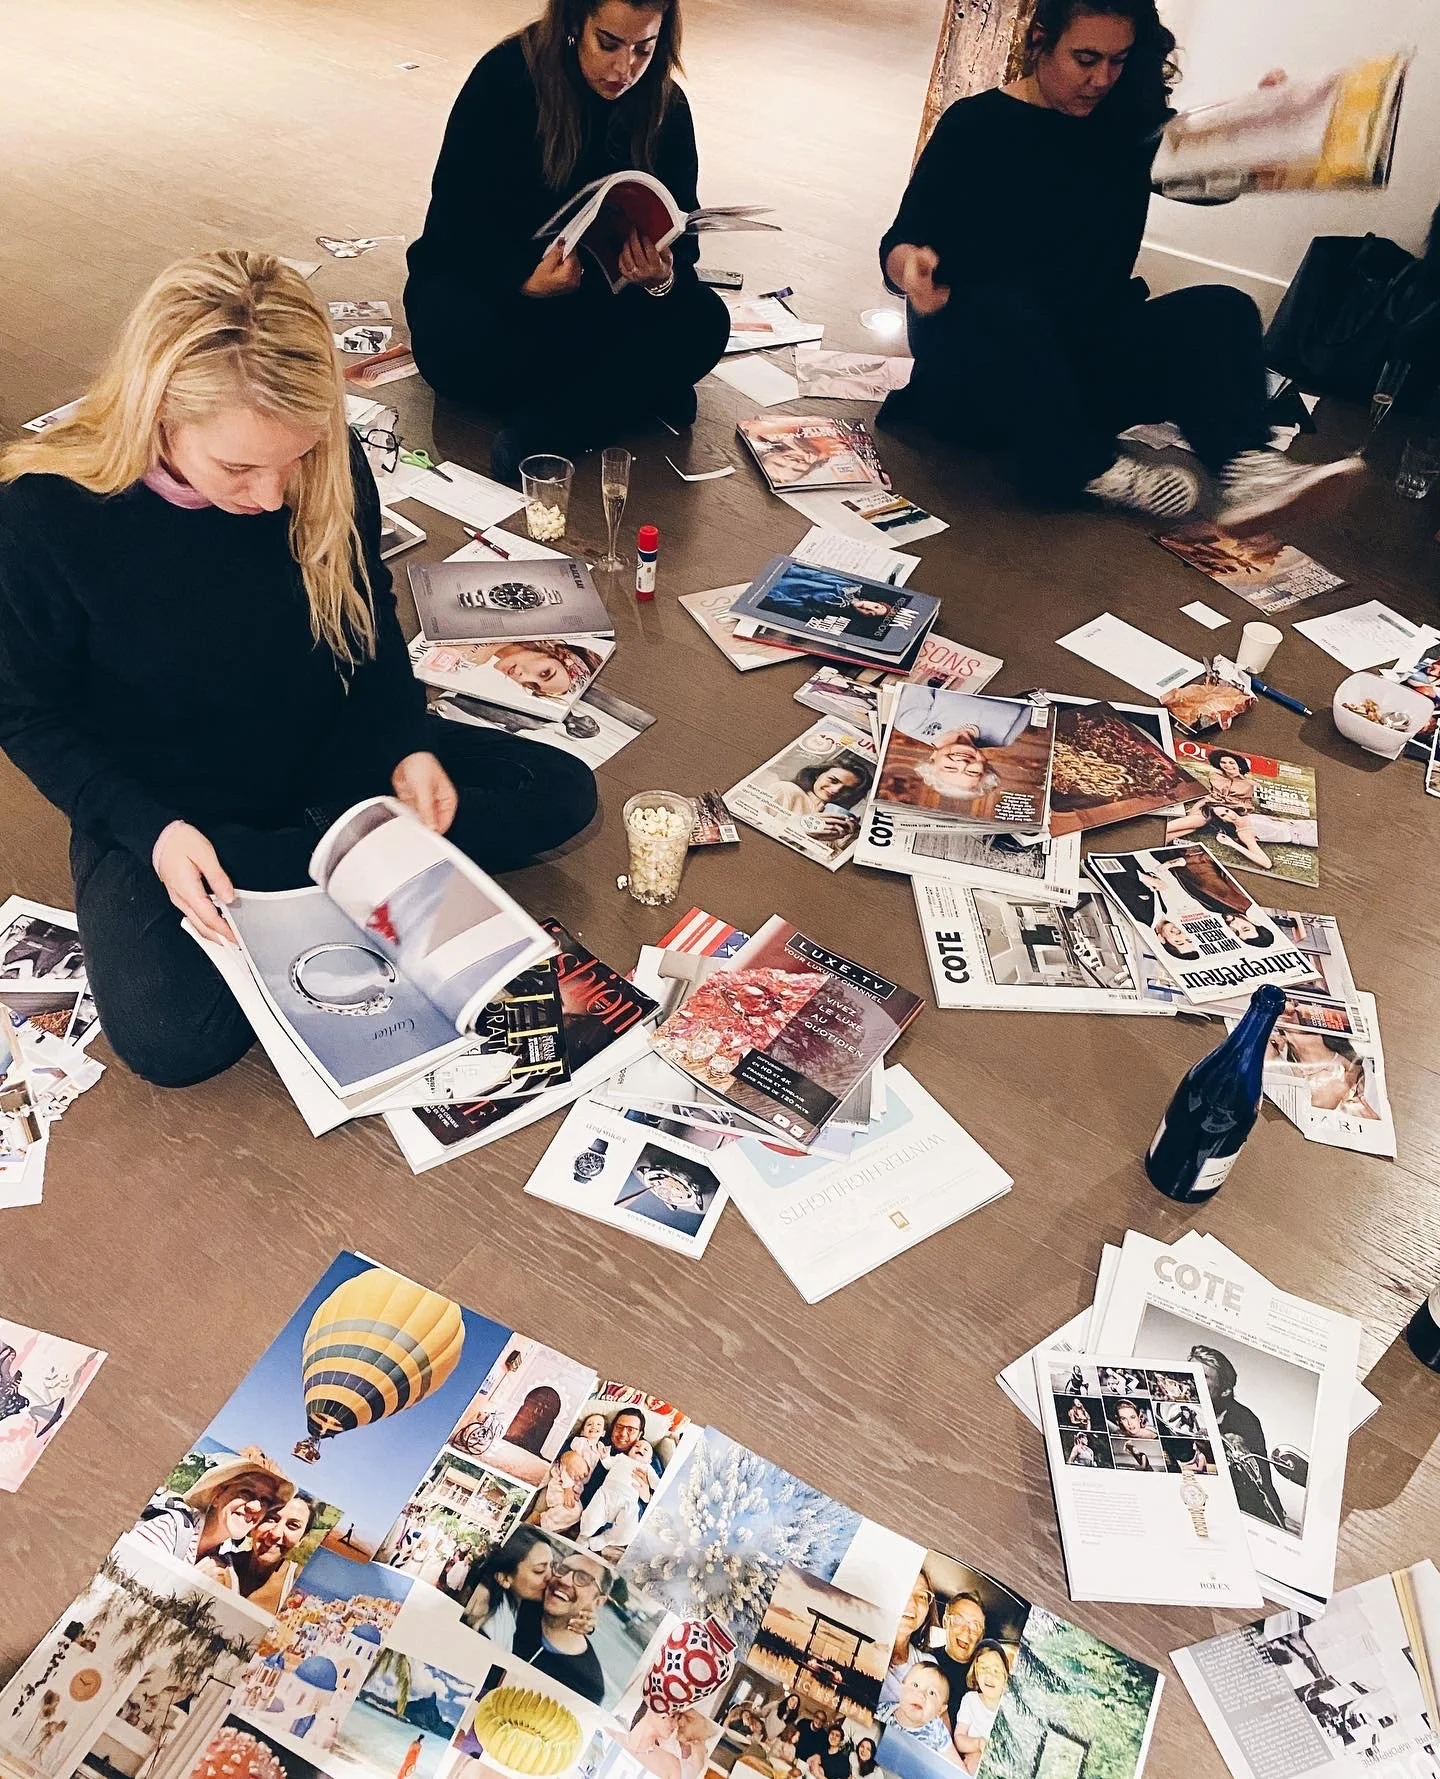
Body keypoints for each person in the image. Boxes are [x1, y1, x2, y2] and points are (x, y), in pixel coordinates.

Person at [0, 251, 598, 1091]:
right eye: (239, 469)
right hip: (178, 802)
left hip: (330, 749)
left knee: (562, 792)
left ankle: (314, 866)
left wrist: (403, 741)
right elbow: (27, 715)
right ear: (158, 410)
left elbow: (367, 618)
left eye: (297, 455)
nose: (274, 497)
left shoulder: (324, 459)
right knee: (171, 1039)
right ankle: (331, 864)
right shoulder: (44, 515)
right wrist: (152, 832)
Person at [876, 0, 1363, 522]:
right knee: (1001, 306)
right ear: (1040, 42)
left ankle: (1249, 468)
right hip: (982, 376)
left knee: (1223, 308)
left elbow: (1206, 181)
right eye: (1086, 59)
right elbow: (901, 242)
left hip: (1080, 366)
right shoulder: (976, 124)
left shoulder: (1126, 126)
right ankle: (1080, 467)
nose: (1101, 79)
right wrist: (911, 269)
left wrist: (1258, 128)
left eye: (1118, 60)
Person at [405, 0, 729, 480]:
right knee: (450, 334)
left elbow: (683, 240)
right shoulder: (504, 79)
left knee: (706, 321)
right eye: (608, 44)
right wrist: (522, 282)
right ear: (576, 21)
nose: (624, 70)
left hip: (601, 306)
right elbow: (454, 226)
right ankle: (626, 398)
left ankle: (553, 430)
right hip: (506, 302)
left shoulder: (665, 104)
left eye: (644, 49)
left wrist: (660, 277)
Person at [133, 1447, 294, 1574]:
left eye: (265, 1500)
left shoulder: (225, 1558)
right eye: (246, 1492)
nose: (256, 1507)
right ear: (217, 1494)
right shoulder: (168, 1531)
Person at [1189, 1342, 1290, 1528]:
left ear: (1225, 1390)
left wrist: (1229, 1444)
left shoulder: (1244, 1420)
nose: (1191, 1379)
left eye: (1202, 1376)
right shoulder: (1182, 1402)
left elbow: (1252, 1470)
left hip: (1252, 1511)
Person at [512, 1546, 613, 1703]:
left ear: (598, 1601)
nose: (564, 1580)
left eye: (583, 1578)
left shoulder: (588, 1685)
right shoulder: (521, 1603)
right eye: (562, 1569)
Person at [422, 639, 606, 702]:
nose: (522, 677)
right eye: (544, 673)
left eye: (533, 686)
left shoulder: (468, 661)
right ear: (550, 651)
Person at [461, 1524, 555, 1640]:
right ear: (504, 1579)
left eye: (552, 1566)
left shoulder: (524, 1604)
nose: (551, 1576)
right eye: (539, 1570)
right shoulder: (491, 1625)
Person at [236, 1493, 316, 1612]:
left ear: (302, 1539)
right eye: (271, 1518)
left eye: (293, 1525)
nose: (276, 1534)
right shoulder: (218, 1564)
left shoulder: (300, 1585)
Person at [579, 1436, 654, 1547]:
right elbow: (608, 1464)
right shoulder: (621, 1457)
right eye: (637, 1446)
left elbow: (657, 1483)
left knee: (627, 1534)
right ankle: (583, 1536)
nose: (640, 1449)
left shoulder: (647, 1468)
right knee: (591, 1517)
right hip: (607, 1494)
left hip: (628, 1502)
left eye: (645, 1449)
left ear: (650, 1460)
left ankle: (601, 1541)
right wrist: (605, 1456)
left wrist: (650, 1494)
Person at [951, 1643, 1011, 1775]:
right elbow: (958, 1738)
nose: (989, 1675)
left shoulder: (1009, 1707)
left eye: (996, 1671)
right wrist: (978, 1744)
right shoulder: (971, 1700)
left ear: (1006, 1678)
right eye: (983, 1668)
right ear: (976, 1674)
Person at [881, 1573, 938, 1707]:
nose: (912, 1603)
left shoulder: (928, 1664)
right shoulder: (860, 1650)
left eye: (922, 1596)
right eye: (903, 1591)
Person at [875, 1661, 955, 1754]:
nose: (921, 1694)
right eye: (915, 1685)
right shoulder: (881, 1712)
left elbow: (953, 1762)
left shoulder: (938, 1731)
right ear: (902, 1687)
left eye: (931, 1693)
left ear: (940, 1709)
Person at [934, 1592, 988, 1712]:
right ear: (945, 1622)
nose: (966, 1631)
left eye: (975, 1626)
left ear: (981, 1637)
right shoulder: (923, 1659)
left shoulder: (984, 1680)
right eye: (958, 1620)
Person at [539, 1448, 589, 1534]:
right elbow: (566, 1462)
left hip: (576, 1492)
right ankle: (538, 1519)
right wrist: (568, 1487)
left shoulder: (602, 1451)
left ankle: (541, 1521)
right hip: (561, 1483)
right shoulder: (581, 1444)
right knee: (574, 1511)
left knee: (576, 1511)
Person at [568, 1410, 610, 1482]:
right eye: (589, 1424)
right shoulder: (580, 1441)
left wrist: (605, 1456)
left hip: (582, 1482)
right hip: (568, 1475)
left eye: (599, 1424)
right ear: (582, 1432)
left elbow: (606, 1462)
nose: (594, 1426)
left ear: (603, 1433)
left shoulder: (601, 1447)